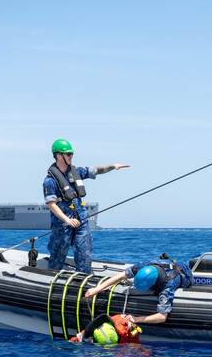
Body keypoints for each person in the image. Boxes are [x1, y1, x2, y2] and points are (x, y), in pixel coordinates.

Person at [43, 138, 129, 273]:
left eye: (72, 154)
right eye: (68, 154)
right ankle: (51, 278)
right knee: (58, 254)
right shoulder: (49, 181)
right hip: (63, 224)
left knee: (84, 253)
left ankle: (84, 279)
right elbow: (51, 204)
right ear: (59, 156)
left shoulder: (76, 172)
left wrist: (113, 166)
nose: (71, 156)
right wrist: (67, 220)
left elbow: (96, 170)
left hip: (81, 220)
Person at [84, 256, 194, 325]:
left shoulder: (168, 286)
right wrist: (97, 289)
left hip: (185, 275)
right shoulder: (143, 265)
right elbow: (121, 275)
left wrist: (137, 319)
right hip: (167, 264)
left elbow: (162, 317)